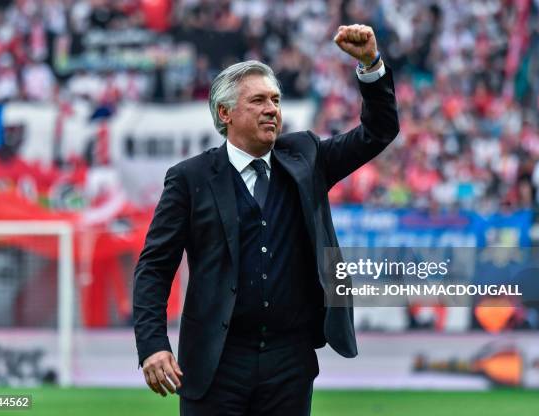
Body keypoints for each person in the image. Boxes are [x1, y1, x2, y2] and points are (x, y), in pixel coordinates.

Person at [133, 23, 399, 415]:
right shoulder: (189, 179)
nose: (272, 109)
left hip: (288, 362)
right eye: (258, 101)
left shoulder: (306, 157)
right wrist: (153, 345)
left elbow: (379, 132)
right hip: (216, 362)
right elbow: (154, 268)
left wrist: (370, 65)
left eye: (275, 100)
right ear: (225, 113)